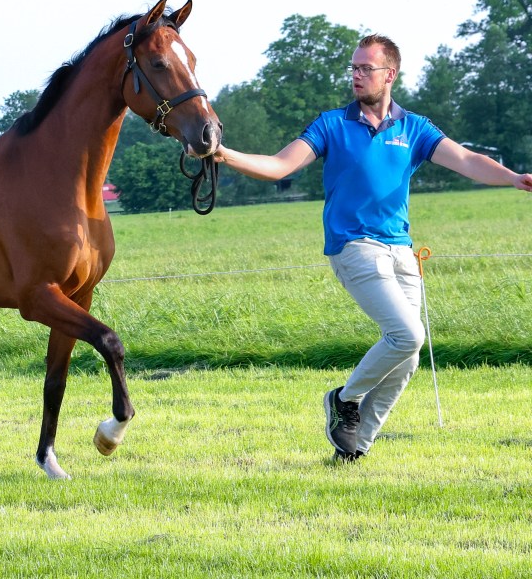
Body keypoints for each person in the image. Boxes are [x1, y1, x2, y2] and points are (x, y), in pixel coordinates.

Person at [213, 33, 532, 461]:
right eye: (354, 68)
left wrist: (513, 178)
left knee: (408, 357)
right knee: (408, 335)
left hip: (402, 251)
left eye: (366, 68)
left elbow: (467, 160)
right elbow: (279, 166)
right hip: (354, 246)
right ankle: (344, 399)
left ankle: (353, 449)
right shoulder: (331, 125)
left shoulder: (414, 127)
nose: (357, 75)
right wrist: (224, 154)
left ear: (390, 74)